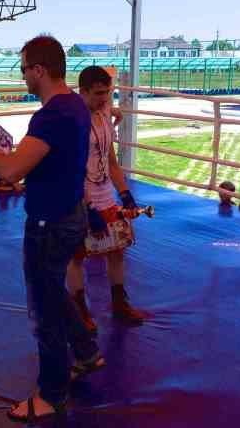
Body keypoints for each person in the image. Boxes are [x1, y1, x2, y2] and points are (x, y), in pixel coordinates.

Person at [0, 35, 103, 423]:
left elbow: (11, 170)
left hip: (50, 222)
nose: (23, 75)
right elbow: (45, 161)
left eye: (24, 68)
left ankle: (51, 395)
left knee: (44, 308)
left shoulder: (51, 115)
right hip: (69, 213)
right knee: (53, 289)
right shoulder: (74, 105)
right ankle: (86, 351)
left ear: (39, 70)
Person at [67, 66, 145, 334]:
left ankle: (120, 304)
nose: (104, 98)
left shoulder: (103, 115)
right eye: (98, 93)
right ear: (83, 91)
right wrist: (88, 207)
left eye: (107, 93)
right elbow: (72, 169)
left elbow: (110, 160)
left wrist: (124, 193)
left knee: (117, 249)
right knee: (77, 255)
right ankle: (79, 312)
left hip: (105, 194)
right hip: (79, 198)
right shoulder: (74, 122)